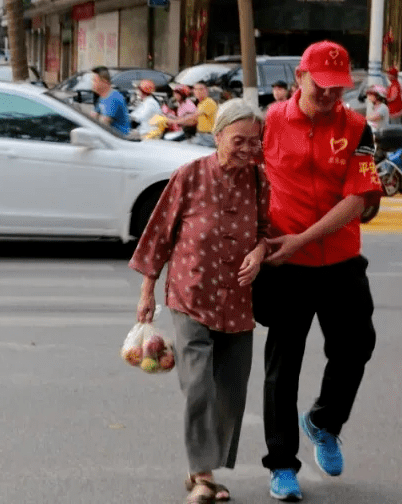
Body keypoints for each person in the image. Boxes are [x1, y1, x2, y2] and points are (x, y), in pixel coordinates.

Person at [255, 40, 382, 502]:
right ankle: (282, 465)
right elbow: (247, 179)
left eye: (338, 88)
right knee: (282, 367)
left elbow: (359, 199)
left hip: (340, 259)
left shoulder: (357, 127)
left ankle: (325, 422)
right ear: (299, 80)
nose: (330, 96)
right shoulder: (268, 123)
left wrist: (303, 240)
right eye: (321, 86)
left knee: (357, 346)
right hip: (285, 266)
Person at [129, 99, 271, 504]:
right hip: (190, 294)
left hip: (238, 300)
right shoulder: (190, 176)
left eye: (253, 143)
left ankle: (207, 467)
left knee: (232, 389)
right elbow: (159, 235)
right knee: (197, 386)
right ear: (218, 135)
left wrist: (259, 253)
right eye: (238, 141)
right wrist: (146, 293)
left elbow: (264, 230)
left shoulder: (259, 181)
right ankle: (202, 474)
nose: (246, 150)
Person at [173, 82, 218, 146]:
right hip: (200, 135)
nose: (198, 91)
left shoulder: (208, 102)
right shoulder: (201, 103)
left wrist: (174, 121)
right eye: (195, 89)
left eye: (201, 89)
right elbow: (194, 121)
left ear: (206, 90)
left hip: (207, 137)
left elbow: (193, 116)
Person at [90, 66, 131, 135]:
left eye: (95, 80)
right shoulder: (103, 97)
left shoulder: (113, 98)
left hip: (119, 140)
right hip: (111, 138)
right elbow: (92, 116)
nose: (92, 83)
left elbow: (103, 123)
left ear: (104, 81)